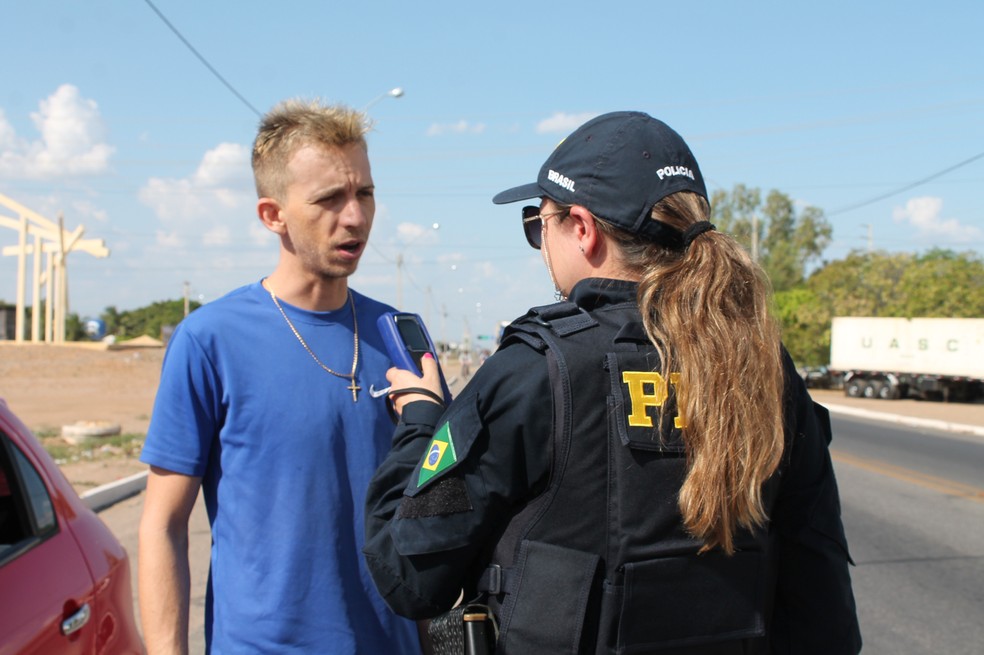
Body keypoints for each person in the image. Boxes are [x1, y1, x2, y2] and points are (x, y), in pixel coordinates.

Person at [364, 111, 862, 654]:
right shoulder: (763, 367)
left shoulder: (536, 367)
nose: (540, 241)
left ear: (582, 228)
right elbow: (823, 616)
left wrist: (421, 417)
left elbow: (408, 575)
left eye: (538, 223)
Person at [138, 99, 421, 654]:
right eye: (329, 199)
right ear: (273, 215)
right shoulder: (210, 340)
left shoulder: (399, 335)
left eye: (364, 193)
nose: (356, 217)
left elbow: (434, 511)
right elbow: (162, 526)